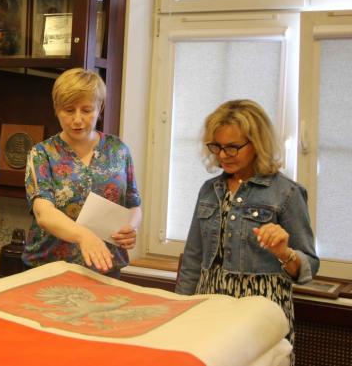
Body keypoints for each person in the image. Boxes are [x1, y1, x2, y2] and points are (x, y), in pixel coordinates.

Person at [175, 99, 319, 361]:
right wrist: (179, 310)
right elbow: (193, 259)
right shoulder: (209, 190)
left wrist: (284, 253)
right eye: (217, 146)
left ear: (258, 144)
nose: (223, 155)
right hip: (208, 307)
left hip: (261, 314)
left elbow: (310, 265)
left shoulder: (287, 193)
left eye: (233, 147)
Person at [22, 68, 142, 278]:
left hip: (106, 267)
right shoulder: (42, 154)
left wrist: (130, 228)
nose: (77, 119)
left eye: (86, 110)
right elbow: (43, 213)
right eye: (69, 110)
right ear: (56, 109)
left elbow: (133, 204)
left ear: (100, 107)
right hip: (50, 267)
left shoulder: (118, 150)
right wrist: (84, 236)